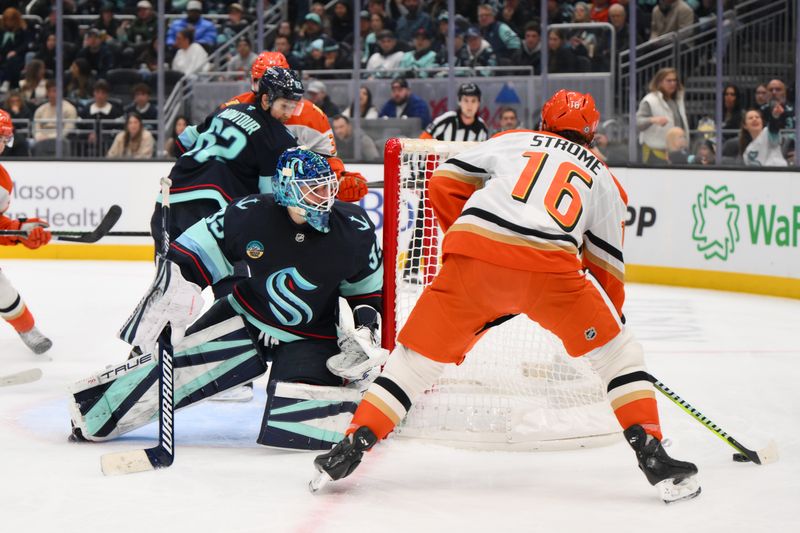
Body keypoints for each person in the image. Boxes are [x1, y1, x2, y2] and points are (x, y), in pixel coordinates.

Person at [313, 90, 701, 504]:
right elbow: (607, 266)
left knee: (412, 363)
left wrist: (466, 245)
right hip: (552, 270)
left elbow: (443, 182)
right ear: (592, 135)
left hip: (472, 260)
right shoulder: (604, 178)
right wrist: (606, 331)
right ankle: (652, 453)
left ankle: (352, 445)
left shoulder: (513, 139)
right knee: (619, 357)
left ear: (544, 122)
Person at [69, 149, 385, 451]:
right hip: (245, 316)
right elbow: (189, 257)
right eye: (312, 188)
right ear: (287, 189)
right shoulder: (248, 215)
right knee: (174, 374)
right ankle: (95, 412)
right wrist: (176, 294)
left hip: (312, 336)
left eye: (325, 186)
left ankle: (376, 408)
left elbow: (367, 293)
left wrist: (366, 331)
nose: (324, 195)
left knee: (301, 426)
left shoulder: (353, 228)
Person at [183, 51, 370, 204]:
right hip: (236, 196)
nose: (263, 89)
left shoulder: (313, 116)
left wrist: (340, 178)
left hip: (291, 202)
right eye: (258, 82)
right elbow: (196, 142)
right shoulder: (234, 106)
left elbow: (327, 160)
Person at [0, 111, 53, 355]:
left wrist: (20, 231)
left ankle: (27, 328)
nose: (1, 145)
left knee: (2, 290)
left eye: (4, 139)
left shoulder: (2, 182)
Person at [636, 67, 689, 164]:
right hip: (655, 152)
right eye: (669, 81)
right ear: (659, 82)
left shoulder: (677, 100)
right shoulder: (650, 100)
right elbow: (638, 123)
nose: (673, 83)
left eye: (675, 80)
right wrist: (652, 120)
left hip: (675, 152)